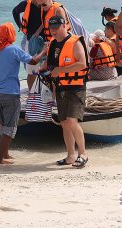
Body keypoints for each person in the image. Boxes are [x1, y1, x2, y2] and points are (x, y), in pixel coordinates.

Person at [0, 22, 45, 165]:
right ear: (10, 35)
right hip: (11, 93)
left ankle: (5, 154)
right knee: (10, 128)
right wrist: (44, 51)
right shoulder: (13, 50)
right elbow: (33, 61)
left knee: (3, 124)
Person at [41, 16, 89, 168]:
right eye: (51, 28)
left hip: (76, 87)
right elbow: (51, 66)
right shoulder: (53, 44)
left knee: (72, 120)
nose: (53, 30)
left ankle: (83, 154)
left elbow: (82, 64)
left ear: (65, 26)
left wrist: (61, 70)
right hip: (60, 87)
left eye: (56, 27)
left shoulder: (75, 42)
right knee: (64, 123)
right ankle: (70, 156)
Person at [12, 0, 43, 90]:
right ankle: (32, 93)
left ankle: (46, 92)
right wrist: (20, 26)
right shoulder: (26, 4)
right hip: (30, 38)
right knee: (31, 69)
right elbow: (15, 12)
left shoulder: (48, 5)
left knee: (46, 68)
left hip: (46, 39)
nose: (34, 0)